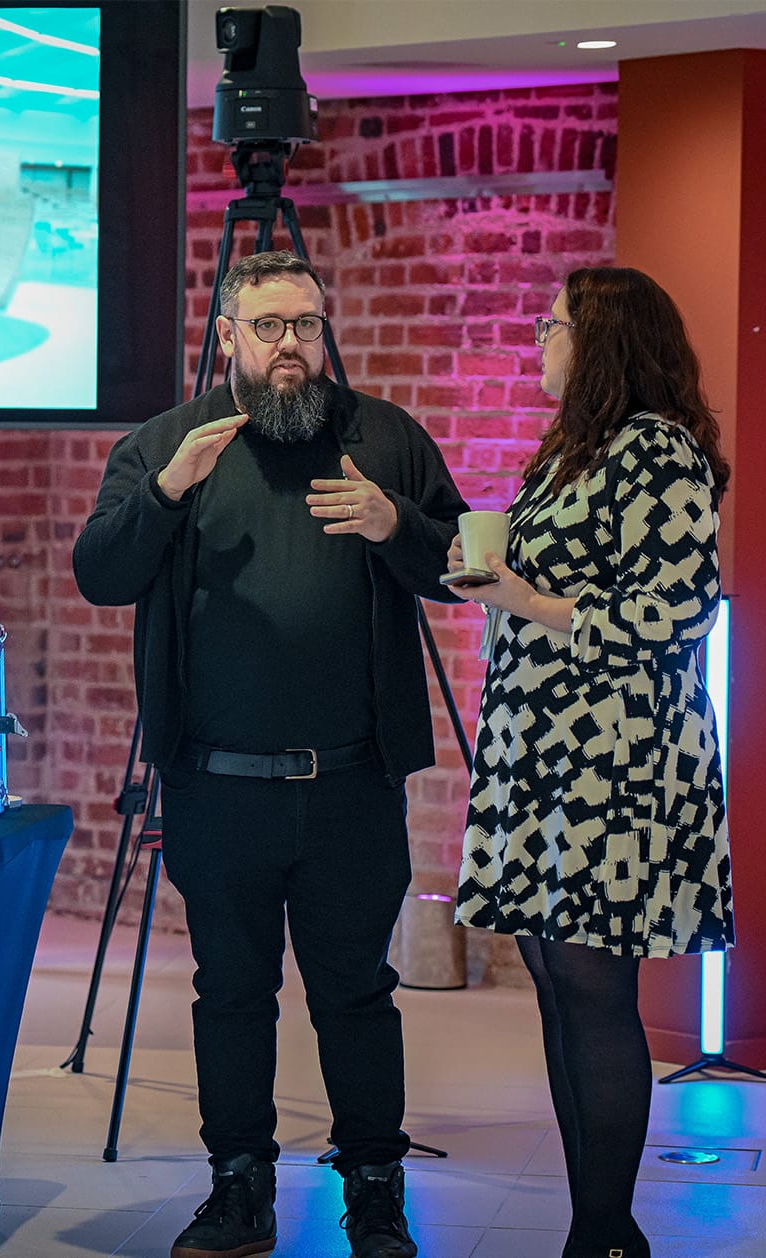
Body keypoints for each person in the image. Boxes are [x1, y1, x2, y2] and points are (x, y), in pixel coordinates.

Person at [73, 250, 468, 1258]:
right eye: (270, 325)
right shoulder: (172, 445)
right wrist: (166, 492)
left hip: (351, 785)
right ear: (228, 336)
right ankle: (238, 1187)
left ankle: (375, 1190)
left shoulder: (382, 437)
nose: (291, 343)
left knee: (357, 995)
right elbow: (101, 573)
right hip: (218, 786)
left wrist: (395, 523)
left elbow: (463, 564)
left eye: (306, 323)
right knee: (231, 993)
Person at [448, 266, 734, 1258]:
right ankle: (593, 1225)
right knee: (558, 984)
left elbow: (677, 611)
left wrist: (523, 600)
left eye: (555, 323)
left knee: (595, 988)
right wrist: (492, 585)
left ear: (602, 341)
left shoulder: (656, 450)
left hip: (616, 761)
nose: (540, 336)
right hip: (545, 750)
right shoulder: (574, 451)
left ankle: (609, 1235)